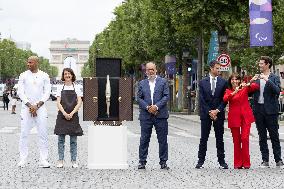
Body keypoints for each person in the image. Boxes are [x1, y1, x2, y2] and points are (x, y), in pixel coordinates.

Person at [17, 56, 51, 168]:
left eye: (30, 62)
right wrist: (30, 105)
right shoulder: (23, 75)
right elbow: (20, 92)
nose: (28, 64)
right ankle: (23, 159)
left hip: (40, 108)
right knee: (24, 134)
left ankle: (44, 159)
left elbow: (47, 92)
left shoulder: (45, 75)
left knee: (43, 134)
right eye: (27, 62)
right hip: (26, 108)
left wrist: (37, 105)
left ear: (37, 63)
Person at [252, 56, 284, 168]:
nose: (259, 65)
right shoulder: (256, 77)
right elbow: (249, 92)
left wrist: (267, 80)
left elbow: (277, 90)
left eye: (261, 63)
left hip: (271, 111)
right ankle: (265, 160)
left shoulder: (274, 77)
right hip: (258, 110)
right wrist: (251, 81)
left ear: (267, 64)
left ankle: (278, 160)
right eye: (259, 63)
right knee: (262, 136)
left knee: (274, 136)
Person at [137, 62, 170, 170]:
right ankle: (142, 161)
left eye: (152, 69)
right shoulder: (141, 83)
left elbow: (166, 96)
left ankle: (163, 162)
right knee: (144, 139)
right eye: (148, 69)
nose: (150, 71)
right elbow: (139, 98)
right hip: (146, 116)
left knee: (162, 140)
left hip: (161, 115)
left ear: (156, 70)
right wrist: (148, 107)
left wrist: (156, 107)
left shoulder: (163, 82)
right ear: (145, 71)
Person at [195, 60, 228, 169]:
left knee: (220, 138)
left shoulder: (223, 82)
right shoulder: (202, 82)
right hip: (206, 114)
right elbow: (202, 99)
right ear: (211, 68)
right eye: (217, 68)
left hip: (218, 114)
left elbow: (225, 99)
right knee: (204, 138)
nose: (218, 70)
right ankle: (200, 160)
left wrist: (217, 111)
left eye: (219, 68)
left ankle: (222, 161)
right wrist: (210, 111)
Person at [223, 73, 259, 169]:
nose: (235, 81)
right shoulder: (228, 90)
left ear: (239, 80)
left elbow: (255, 87)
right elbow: (225, 98)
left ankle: (246, 163)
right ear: (230, 81)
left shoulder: (244, 87)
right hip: (234, 117)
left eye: (237, 79)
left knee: (244, 138)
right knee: (236, 140)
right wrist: (234, 92)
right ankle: (238, 163)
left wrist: (249, 83)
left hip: (245, 116)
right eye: (233, 79)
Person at [54, 68, 83, 168]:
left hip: (73, 116)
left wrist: (72, 113)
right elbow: (58, 102)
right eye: (65, 74)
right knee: (60, 140)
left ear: (72, 75)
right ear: (63, 75)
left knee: (73, 140)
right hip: (62, 115)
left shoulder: (77, 87)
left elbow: (79, 102)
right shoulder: (59, 87)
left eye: (69, 74)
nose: (67, 75)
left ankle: (74, 160)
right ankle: (60, 160)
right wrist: (65, 113)